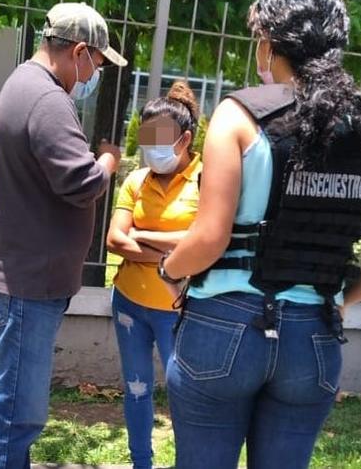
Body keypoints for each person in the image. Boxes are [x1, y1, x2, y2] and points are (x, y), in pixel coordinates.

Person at [157, 0, 361, 469]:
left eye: (257, 38)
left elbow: (209, 237)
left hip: (224, 326)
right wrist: (344, 299)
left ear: (270, 40)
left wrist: (169, 271)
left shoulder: (238, 115)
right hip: (314, 339)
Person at [0, 2, 126, 469]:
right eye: (95, 65)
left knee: (8, 407)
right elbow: (81, 183)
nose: (90, 76)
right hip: (29, 285)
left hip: (23, 278)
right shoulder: (47, 99)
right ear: (78, 51)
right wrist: (108, 162)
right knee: (15, 417)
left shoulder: (25, 84)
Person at [105, 80, 202, 469]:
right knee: (136, 390)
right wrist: (171, 251)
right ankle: (140, 462)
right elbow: (114, 239)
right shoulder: (135, 181)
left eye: (160, 137)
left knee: (186, 396)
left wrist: (142, 236)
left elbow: (203, 239)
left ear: (185, 139)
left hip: (181, 311)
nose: (152, 147)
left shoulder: (206, 179)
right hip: (129, 304)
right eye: (148, 136)